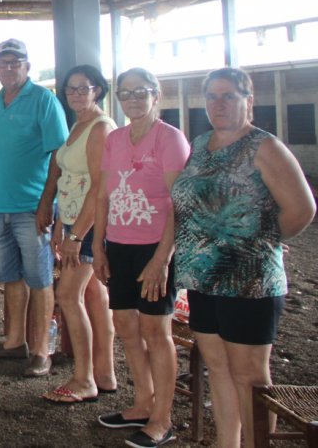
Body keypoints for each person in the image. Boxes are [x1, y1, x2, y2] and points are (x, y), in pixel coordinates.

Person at [172, 68, 314, 448]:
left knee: (250, 376)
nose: (219, 104)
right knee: (217, 367)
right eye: (212, 97)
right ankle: (226, 443)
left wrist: (257, 241)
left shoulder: (264, 147)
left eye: (229, 96)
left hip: (250, 281)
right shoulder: (200, 144)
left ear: (247, 101)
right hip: (203, 279)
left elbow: (301, 209)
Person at [93, 67, 190, 448]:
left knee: (156, 331)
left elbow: (178, 205)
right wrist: (98, 246)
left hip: (155, 247)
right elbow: (103, 196)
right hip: (119, 244)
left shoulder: (170, 139)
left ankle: (162, 418)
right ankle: (142, 403)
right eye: (125, 93)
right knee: (127, 326)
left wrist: (162, 259)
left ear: (156, 94)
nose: (132, 99)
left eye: (140, 92)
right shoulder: (115, 139)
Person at [0, 39, 68, 373]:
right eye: (3, 62)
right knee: (11, 276)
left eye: (16, 62)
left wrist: (47, 202)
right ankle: (15, 342)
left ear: (28, 66)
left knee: (40, 278)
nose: (9, 68)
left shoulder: (44, 100)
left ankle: (42, 351)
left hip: (32, 208)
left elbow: (59, 153)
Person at [37, 65, 117, 403]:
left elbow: (100, 186)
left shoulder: (101, 127)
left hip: (91, 224)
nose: (76, 94)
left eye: (83, 88)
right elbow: (67, 180)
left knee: (68, 295)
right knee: (95, 297)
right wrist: (60, 224)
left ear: (97, 90)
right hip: (72, 220)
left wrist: (78, 235)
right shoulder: (78, 125)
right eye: (70, 88)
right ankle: (104, 372)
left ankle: (83, 379)